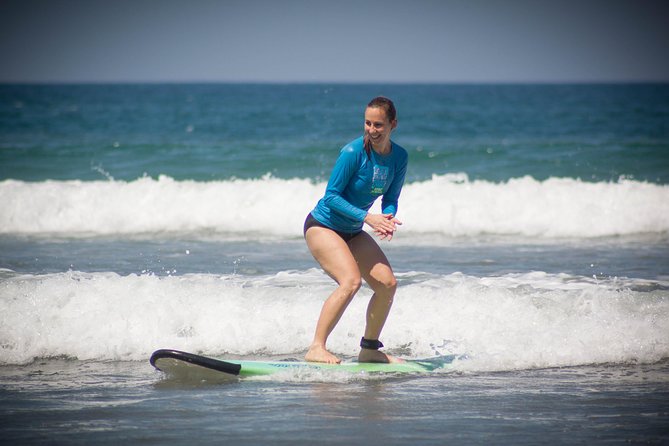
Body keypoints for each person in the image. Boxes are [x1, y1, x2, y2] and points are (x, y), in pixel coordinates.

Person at [303, 96, 408, 364]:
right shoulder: (353, 153)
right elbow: (331, 197)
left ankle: (369, 349)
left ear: (393, 124)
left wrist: (388, 216)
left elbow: (391, 197)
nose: (371, 130)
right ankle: (316, 347)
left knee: (387, 284)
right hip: (323, 226)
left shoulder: (399, 157)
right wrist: (368, 218)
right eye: (367, 123)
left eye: (378, 125)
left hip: (352, 230)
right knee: (350, 282)